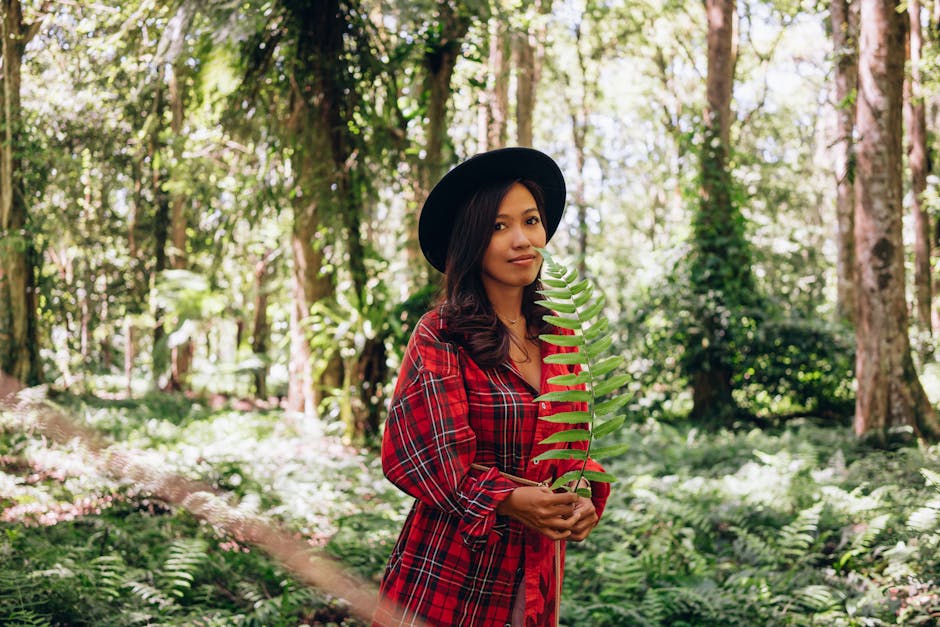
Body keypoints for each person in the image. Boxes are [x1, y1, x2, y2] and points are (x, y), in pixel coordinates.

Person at [374, 147, 610, 627]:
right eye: (499, 226)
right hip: (450, 575)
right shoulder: (441, 334)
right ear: (471, 239)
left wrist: (583, 493)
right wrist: (508, 499)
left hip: (534, 578)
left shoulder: (563, 337)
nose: (522, 240)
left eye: (531, 220)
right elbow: (421, 457)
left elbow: (567, 449)